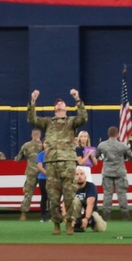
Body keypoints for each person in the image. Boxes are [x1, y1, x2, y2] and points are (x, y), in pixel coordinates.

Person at [27, 88, 86, 235]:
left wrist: (77, 99)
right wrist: (33, 101)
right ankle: (56, 223)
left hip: (68, 162)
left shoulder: (71, 122)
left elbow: (83, 118)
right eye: (57, 103)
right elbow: (32, 119)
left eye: (62, 103)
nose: (59, 104)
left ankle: (69, 222)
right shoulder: (48, 122)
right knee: (53, 196)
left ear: (66, 108)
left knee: (69, 195)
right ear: (54, 109)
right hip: (52, 162)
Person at [95, 126, 132, 221]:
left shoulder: (102, 145)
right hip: (120, 173)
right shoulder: (122, 145)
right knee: (122, 195)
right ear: (117, 134)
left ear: (108, 134)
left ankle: (106, 216)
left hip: (107, 172)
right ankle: (125, 215)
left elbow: (96, 155)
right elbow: (131, 157)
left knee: (107, 194)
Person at [15, 128, 43, 220]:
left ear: (32, 135)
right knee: (47, 194)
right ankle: (47, 214)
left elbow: (18, 158)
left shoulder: (26, 145)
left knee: (28, 193)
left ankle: (23, 214)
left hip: (31, 172)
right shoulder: (44, 145)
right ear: (40, 135)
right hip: (43, 172)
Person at [68, 166, 107, 232]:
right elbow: (64, 205)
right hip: (76, 213)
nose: (79, 176)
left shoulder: (91, 187)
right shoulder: (71, 188)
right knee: (75, 200)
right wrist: (68, 221)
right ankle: (76, 222)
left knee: (101, 229)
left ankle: (89, 222)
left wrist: (86, 219)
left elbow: (90, 204)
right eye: (77, 174)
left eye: (81, 174)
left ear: (85, 177)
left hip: (91, 213)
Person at [35, 143, 49, 222]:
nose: (47, 144)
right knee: (44, 196)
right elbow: (39, 167)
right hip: (43, 178)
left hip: (53, 178)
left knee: (53, 197)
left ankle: (52, 215)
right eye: (45, 143)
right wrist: (48, 174)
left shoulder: (54, 153)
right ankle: (43, 216)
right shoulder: (40, 155)